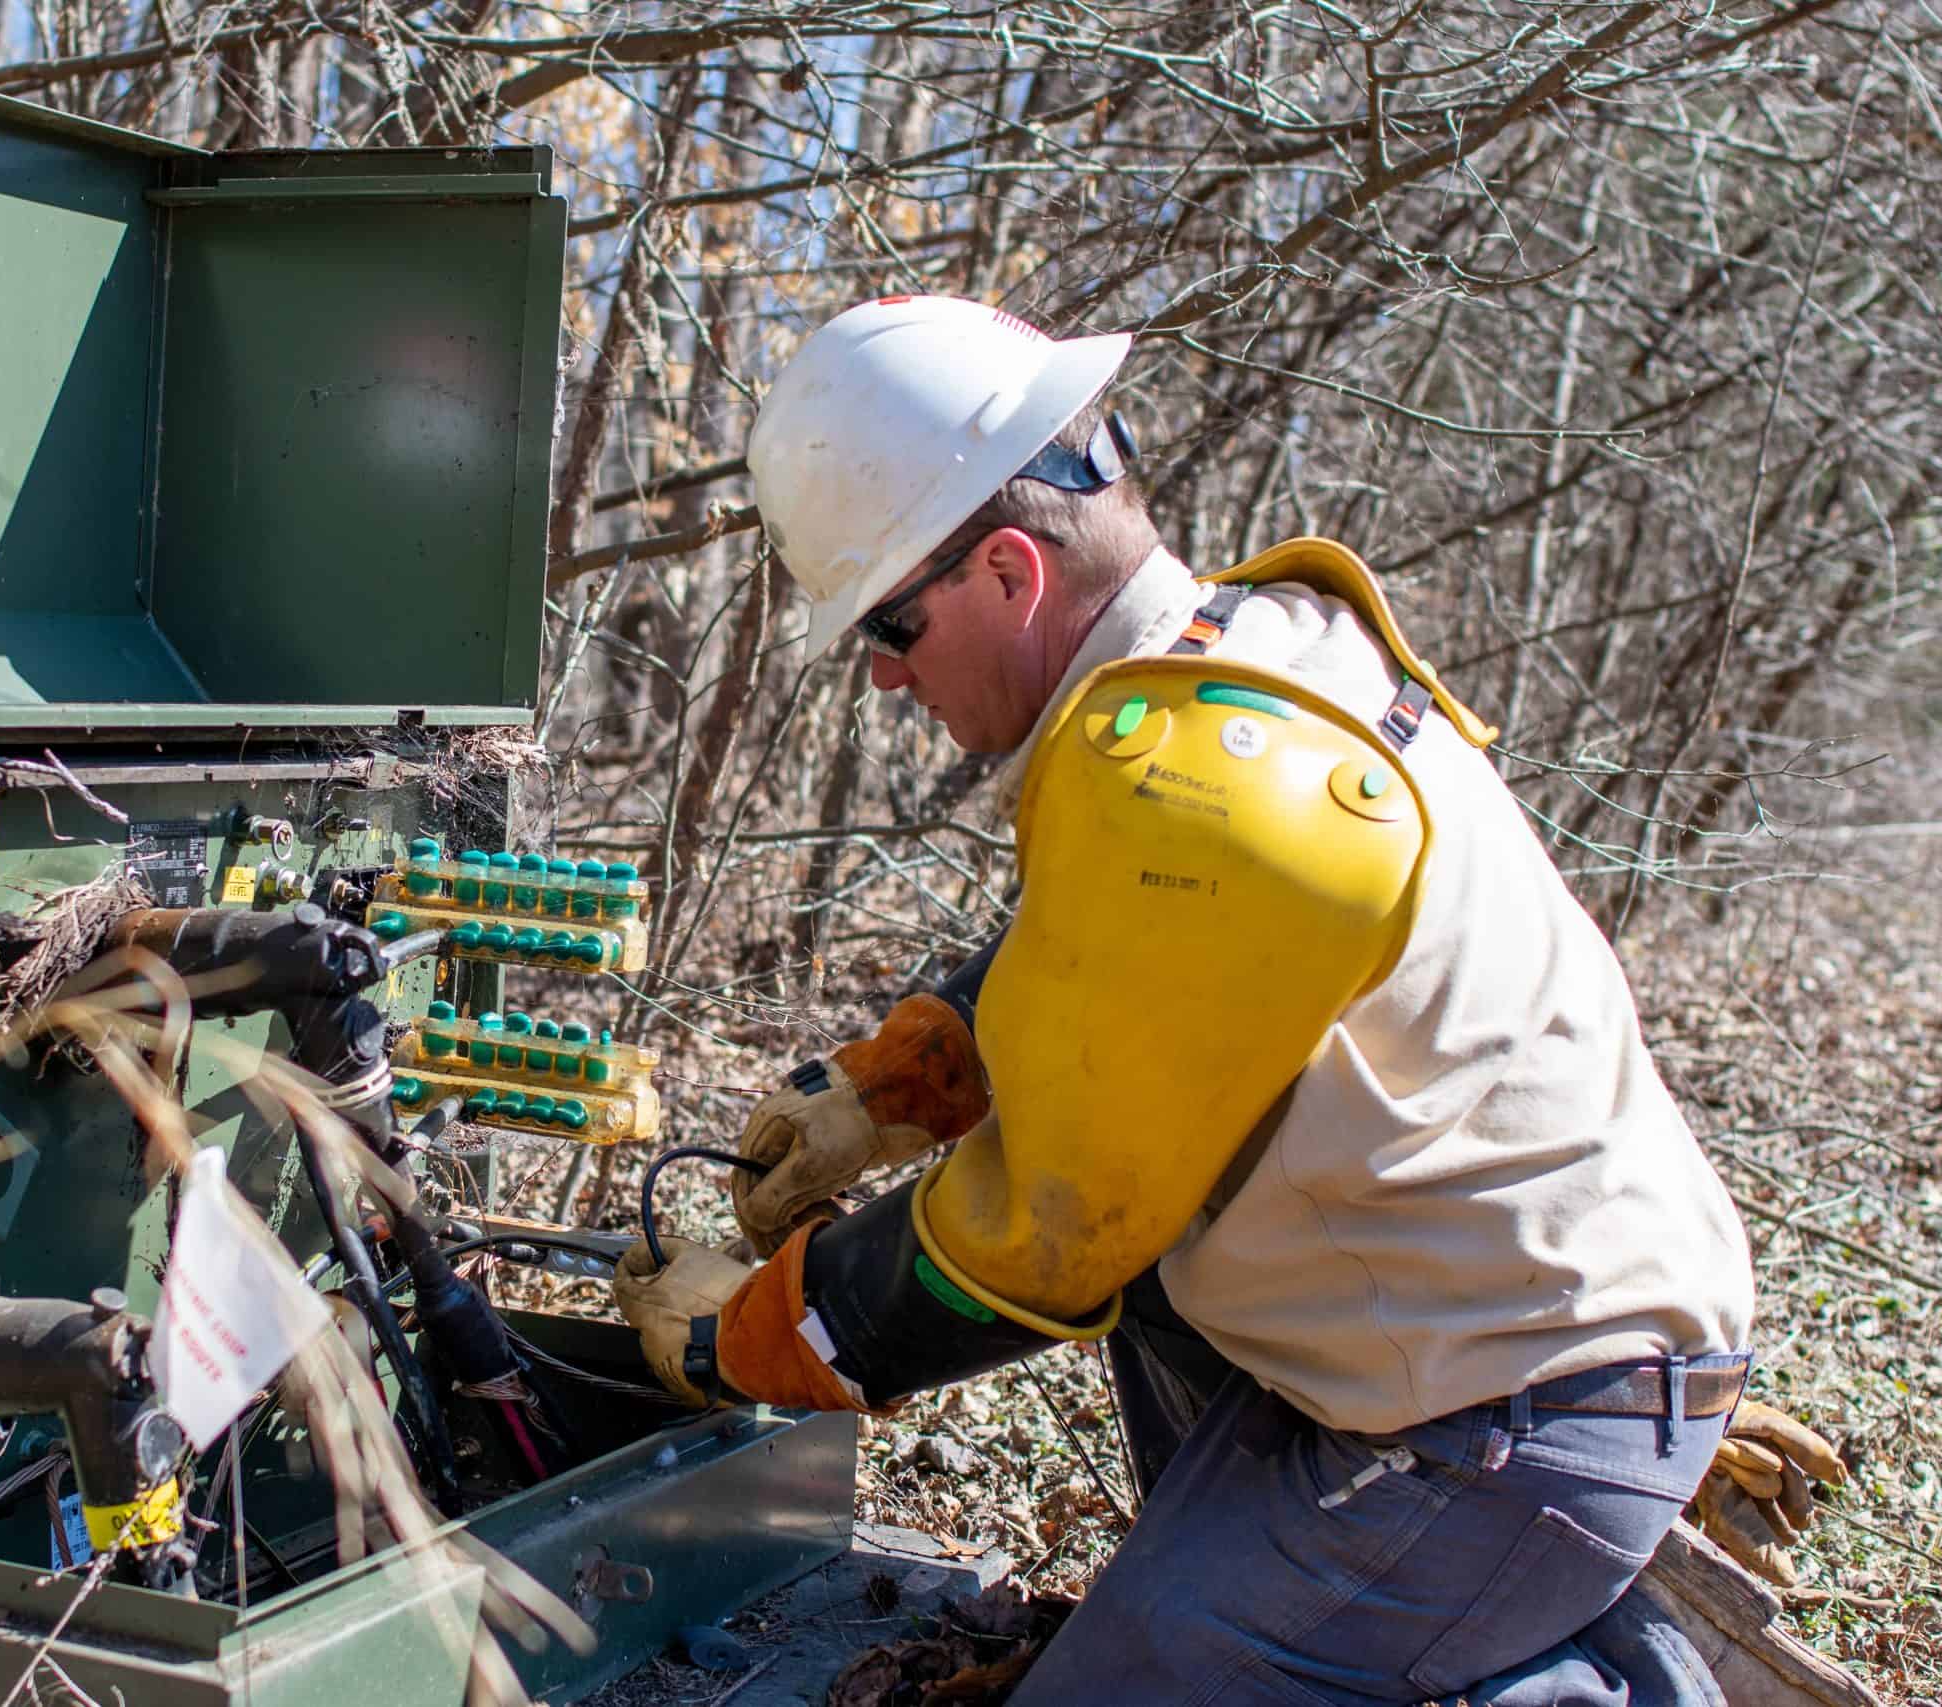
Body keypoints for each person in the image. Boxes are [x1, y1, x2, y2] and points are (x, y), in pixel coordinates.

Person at [610, 296, 1822, 1703]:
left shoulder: (1192, 788)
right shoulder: (1238, 668)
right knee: (1169, 1294)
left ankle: (1558, 1668)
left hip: (1503, 1410)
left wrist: (757, 1333)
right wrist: (899, 1086)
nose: (882, 671)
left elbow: (1034, 1245)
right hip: (1495, 1337)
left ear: (1008, 572)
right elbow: (1116, 974)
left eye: (891, 619)